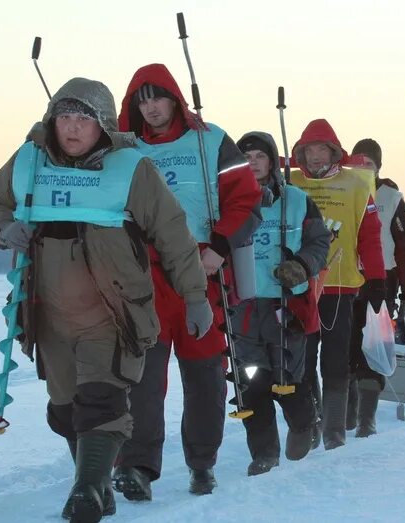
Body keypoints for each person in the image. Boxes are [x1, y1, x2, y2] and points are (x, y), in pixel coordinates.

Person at [0, 77, 211, 522]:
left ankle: (85, 492)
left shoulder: (132, 169)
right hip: (47, 312)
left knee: (101, 400)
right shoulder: (29, 160)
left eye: (83, 119)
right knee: (65, 409)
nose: (71, 128)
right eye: (64, 117)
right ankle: (97, 482)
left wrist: (195, 296)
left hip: (113, 310)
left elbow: (174, 234)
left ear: (103, 124)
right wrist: (3, 227)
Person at [114, 64, 261, 498]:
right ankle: (137, 466)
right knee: (142, 378)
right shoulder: (123, 149)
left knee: (204, 377)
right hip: (143, 277)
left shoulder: (211, 141)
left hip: (202, 272)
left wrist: (220, 245)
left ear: (176, 98)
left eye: (158, 97)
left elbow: (246, 201)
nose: (150, 107)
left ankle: (202, 463)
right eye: (141, 100)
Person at [233, 131, 330, 475]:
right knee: (251, 380)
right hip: (243, 307)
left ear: (272, 161)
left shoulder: (298, 200)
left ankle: (303, 423)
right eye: (246, 158)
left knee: (289, 373)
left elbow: (320, 243)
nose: (253, 163)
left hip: (287, 306)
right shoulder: (228, 202)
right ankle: (263, 452)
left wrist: (301, 265)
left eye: (259, 156)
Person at [289, 119, 386, 450]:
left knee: (336, 359)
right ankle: (308, 422)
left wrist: (376, 281)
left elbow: (370, 236)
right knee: (301, 359)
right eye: (308, 150)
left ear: (334, 152)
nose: (315, 157)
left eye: (321, 149)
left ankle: (334, 429)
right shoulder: (290, 182)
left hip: (340, 287)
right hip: (299, 286)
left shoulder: (357, 184)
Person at [346, 138, 405, 437]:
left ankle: (366, 418)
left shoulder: (391, 197)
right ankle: (344, 415)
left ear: (378, 167)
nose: (363, 168)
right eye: (357, 162)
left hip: (380, 282)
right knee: (343, 346)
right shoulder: (341, 188)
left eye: (369, 164)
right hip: (343, 279)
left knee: (372, 347)